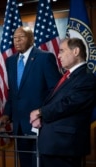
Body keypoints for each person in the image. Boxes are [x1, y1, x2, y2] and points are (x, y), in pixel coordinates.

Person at [0, 26, 61, 167]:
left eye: (22, 36)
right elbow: (14, 92)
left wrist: (42, 113)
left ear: (32, 39)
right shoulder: (10, 61)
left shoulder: (45, 58)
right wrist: (7, 113)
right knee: (25, 163)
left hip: (40, 125)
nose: (17, 40)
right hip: (19, 125)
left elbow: (55, 91)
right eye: (15, 38)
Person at [30, 37, 96, 167]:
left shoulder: (86, 77)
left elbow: (68, 104)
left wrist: (40, 112)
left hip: (64, 145)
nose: (58, 56)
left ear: (76, 51)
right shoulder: (68, 76)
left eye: (61, 51)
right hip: (53, 144)